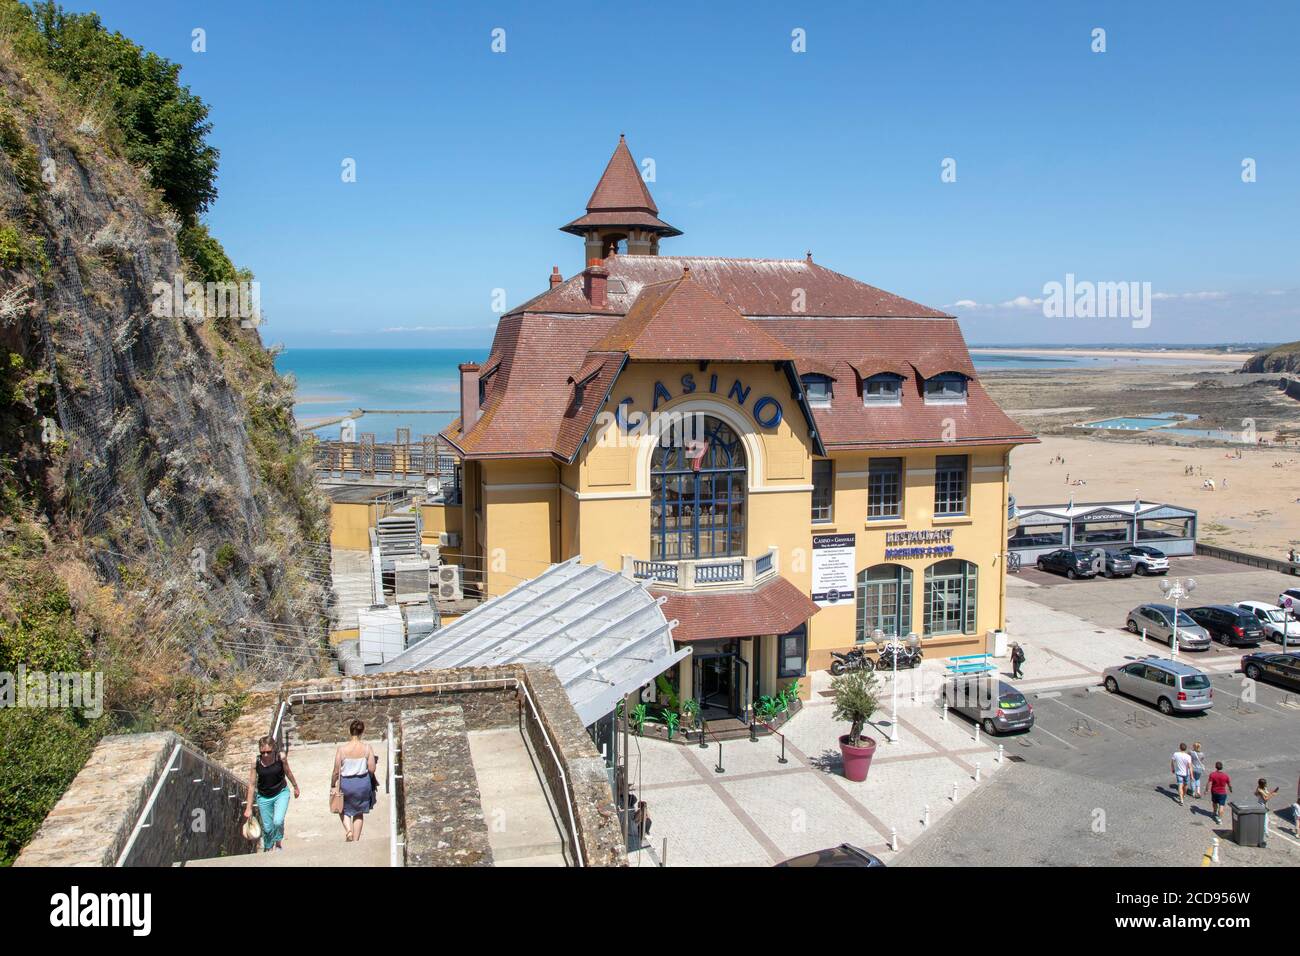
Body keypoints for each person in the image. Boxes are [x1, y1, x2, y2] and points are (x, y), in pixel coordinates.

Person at [244, 735, 299, 853]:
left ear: (274, 749)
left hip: (281, 793)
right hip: (264, 797)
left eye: (268, 752)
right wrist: (248, 808)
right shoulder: (256, 762)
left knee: (278, 821)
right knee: (268, 828)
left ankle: (278, 842)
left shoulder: (281, 757)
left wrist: (295, 786)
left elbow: (288, 772)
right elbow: (252, 784)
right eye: (262, 752)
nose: (266, 755)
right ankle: (268, 847)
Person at [332, 719, 378, 842]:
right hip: (362, 784)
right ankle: (356, 841)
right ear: (362, 731)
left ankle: (348, 831)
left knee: (343, 809)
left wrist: (333, 784)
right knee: (359, 813)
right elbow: (372, 769)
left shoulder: (342, 749)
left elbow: (336, 771)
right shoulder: (367, 748)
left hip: (346, 783)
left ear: (350, 731)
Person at [1256, 778, 1280, 847]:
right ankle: (1265, 833)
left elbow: (1267, 793)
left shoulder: (1264, 788)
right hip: (1261, 805)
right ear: (1262, 784)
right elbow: (1265, 798)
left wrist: (1273, 791)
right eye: (1265, 783)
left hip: (1264, 805)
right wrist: (1273, 795)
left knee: (1266, 819)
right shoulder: (1260, 790)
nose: (1266, 784)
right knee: (1266, 819)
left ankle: (1265, 831)